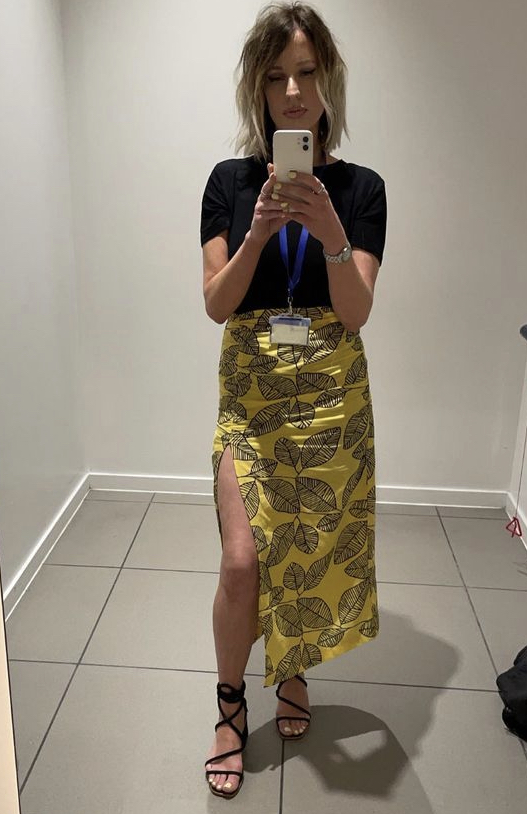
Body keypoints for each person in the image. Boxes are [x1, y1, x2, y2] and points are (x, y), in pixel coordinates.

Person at [200, 1, 387, 800]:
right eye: (275, 75)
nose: (291, 91)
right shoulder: (227, 182)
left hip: (331, 397)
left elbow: (356, 312)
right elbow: (216, 304)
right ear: (256, 85)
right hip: (251, 395)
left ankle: (293, 667)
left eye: (306, 72)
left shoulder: (363, 189)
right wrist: (256, 232)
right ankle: (229, 704)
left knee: (307, 552)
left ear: (327, 79)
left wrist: (332, 234)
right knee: (243, 561)